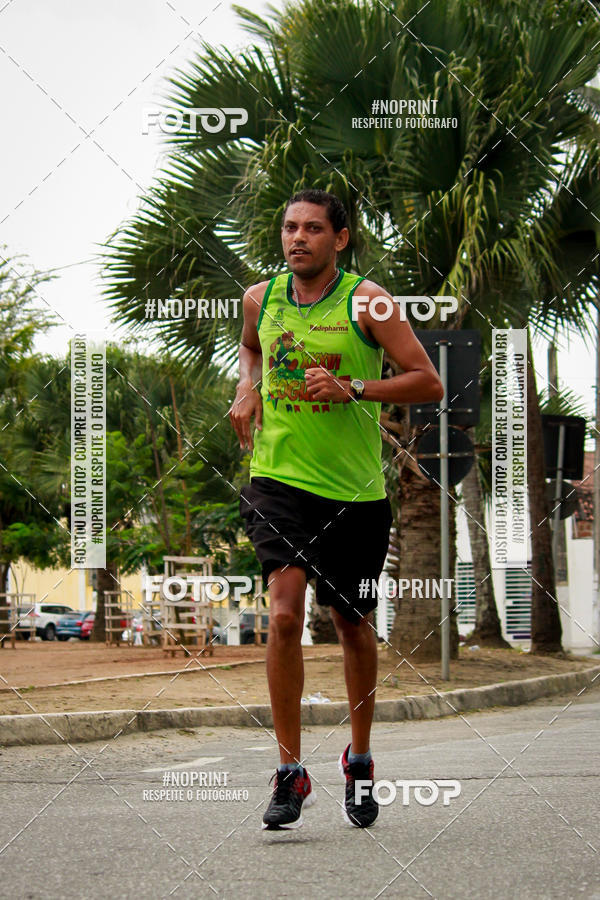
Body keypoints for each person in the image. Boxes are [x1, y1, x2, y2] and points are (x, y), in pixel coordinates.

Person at [229, 188, 443, 830]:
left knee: (352, 625)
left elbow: (427, 380)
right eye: (290, 228)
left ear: (340, 239)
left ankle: (360, 757)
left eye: (314, 229)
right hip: (277, 479)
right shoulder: (260, 299)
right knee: (285, 613)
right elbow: (252, 349)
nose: (298, 238)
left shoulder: (367, 301)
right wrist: (246, 387)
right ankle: (291, 771)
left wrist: (356, 386)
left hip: (353, 493)